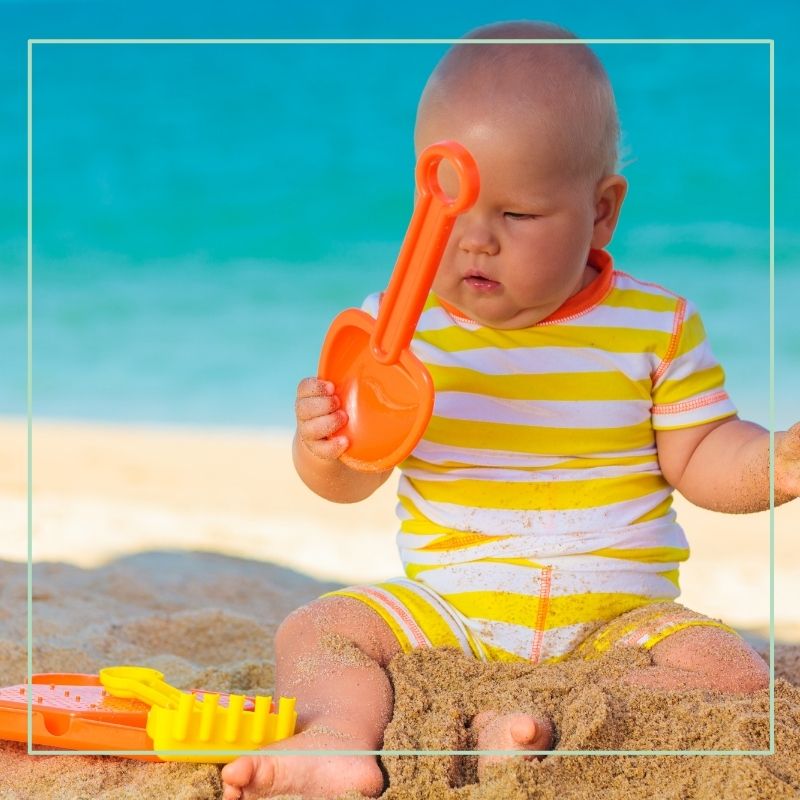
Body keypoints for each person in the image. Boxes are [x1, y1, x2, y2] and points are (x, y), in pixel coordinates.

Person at [221, 20, 800, 800]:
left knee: (731, 673)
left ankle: (546, 722)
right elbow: (351, 480)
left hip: (620, 622)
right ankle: (335, 737)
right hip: (451, 610)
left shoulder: (655, 326)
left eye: (517, 216)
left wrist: (778, 462)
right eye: (448, 205)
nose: (474, 241)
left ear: (601, 212)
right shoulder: (398, 328)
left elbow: (702, 458)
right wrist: (324, 447)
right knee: (318, 632)